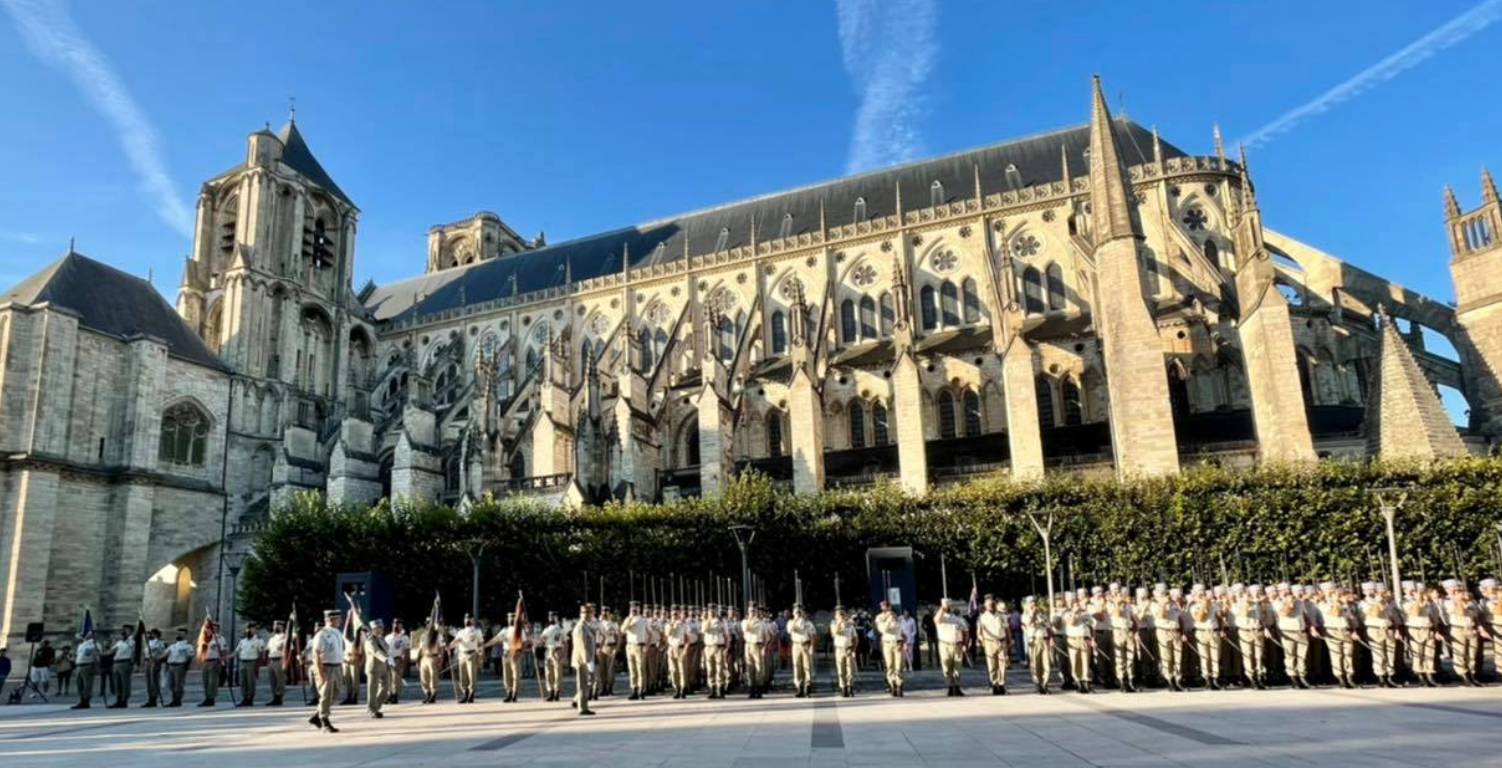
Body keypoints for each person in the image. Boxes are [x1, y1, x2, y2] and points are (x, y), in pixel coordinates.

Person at [308, 609, 346, 733]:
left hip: (337, 666)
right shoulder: (322, 634)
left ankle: (316, 716)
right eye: (338, 618)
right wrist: (320, 672)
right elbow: (316, 653)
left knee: (336, 692)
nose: (340, 620)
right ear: (331, 619)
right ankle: (324, 720)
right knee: (326, 695)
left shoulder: (337, 633)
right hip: (326, 667)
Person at [935, 597, 969, 696]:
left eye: (949, 606)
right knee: (946, 667)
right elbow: (937, 619)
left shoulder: (959, 619)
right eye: (946, 606)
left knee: (957, 667)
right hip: (944, 644)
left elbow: (966, 632)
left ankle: (957, 687)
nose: (948, 607)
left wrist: (965, 644)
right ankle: (950, 686)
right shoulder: (940, 618)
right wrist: (943, 607)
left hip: (957, 644)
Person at [977, 595, 1010, 695]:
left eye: (992, 603)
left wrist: (1009, 641)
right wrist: (981, 640)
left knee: (1002, 664)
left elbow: (1007, 629)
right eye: (988, 604)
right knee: (992, 665)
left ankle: (1001, 685)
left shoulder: (1002, 616)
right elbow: (979, 632)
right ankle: (994, 684)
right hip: (989, 642)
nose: (990, 605)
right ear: (985, 605)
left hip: (1001, 641)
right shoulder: (982, 617)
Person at [447, 614, 483, 703]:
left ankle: (471, 694)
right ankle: (465, 694)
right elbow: (457, 640)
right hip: (462, 655)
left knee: (472, 675)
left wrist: (481, 655)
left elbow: (481, 644)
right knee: (463, 676)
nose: (467, 620)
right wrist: (449, 646)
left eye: (469, 618)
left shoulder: (477, 631)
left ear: (473, 620)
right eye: (466, 618)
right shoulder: (461, 632)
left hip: (472, 654)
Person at [1022, 596, 1053, 694]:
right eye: (1031, 602)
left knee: (1046, 664)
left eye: (1035, 602)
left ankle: (1045, 684)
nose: (1033, 604)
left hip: (1044, 639)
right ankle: (1038, 684)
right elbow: (1029, 624)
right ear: (1027, 604)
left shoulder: (1042, 614)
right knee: (1035, 664)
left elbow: (1048, 627)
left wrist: (1051, 638)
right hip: (1034, 640)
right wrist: (1034, 614)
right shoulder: (1025, 615)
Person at [571, 604, 597, 716]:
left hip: (586, 658)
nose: (589, 615)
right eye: (587, 613)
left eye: (590, 613)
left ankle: (577, 701)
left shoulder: (586, 626)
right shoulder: (581, 627)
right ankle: (582, 708)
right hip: (582, 660)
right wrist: (588, 660)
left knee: (587, 682)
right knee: (583, 684)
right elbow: (582, 645)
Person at [875, 600, 905, 696]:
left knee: (899, 666)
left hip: (898, 643)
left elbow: (902, 632)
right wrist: (888, 619)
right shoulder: (879, 617)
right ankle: (893, 686)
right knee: (890, 666)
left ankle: (899, 686)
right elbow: (883, 630)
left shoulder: (898, 617)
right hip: (887, 643)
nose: (885, 608)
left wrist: (904, 642)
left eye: (887, 606)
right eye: (883, 606)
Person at [363, 619, 392, 718]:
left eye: (382, 627)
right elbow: (376, 652)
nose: (382, 629)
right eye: (380, 627)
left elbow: (387, 650)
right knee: (372, 690)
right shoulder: (370, 640)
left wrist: (390, 659)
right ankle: (372, 710)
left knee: (386, 688)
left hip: (383, 667)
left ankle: (376, 706)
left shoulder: (381, 639)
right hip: (373, 668)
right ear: (374, 629)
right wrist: (385, 659)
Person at [415, 617, 447, 704]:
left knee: (433, 677)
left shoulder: (437, 635)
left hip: (433, 657)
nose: (428, 624)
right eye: (427, 623)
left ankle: (433, 695)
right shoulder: (423, 635)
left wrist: (441, 661)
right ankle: (427, 694)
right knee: (424, 678)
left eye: (429, 623)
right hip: (424, 658)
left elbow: (442, 648)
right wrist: (418, 660)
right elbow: (420, 649)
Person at [787, 604, 816, 698]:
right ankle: (799, 687)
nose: (798, 613)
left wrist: (812, 647)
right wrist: (795, 619)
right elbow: (790, 630)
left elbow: (812, 636)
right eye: (796, 611)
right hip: (796, 645)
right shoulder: (791, 622)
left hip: (806, 645)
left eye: (800, 611)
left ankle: (807, 687)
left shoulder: (808, 623)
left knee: (807, 666)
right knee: (797, 666)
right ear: (793, 613)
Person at [234, 624, 266, 706]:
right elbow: (237, 651)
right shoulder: (242, 641)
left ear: (255, 630)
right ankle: (244, 698)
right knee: (243, 681)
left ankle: (250, 698)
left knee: (250, 681)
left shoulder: (258, 640)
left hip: (252, 662)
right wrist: (226, 657)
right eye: (248, 629)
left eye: (251, 629)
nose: (249, 631)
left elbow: (261, 653)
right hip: (243, 662)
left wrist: (258, 664)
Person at [830, 605, 858, 698]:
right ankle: (843, 688)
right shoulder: (833, 623)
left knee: (850, 669)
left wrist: (853, 649)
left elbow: (855, 638)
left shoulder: (850, 624)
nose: (841, 614)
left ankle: (850, 687)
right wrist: (840, 622)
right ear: (835, 615)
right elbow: (835, 633)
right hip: (839, 649)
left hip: (848, 648)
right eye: (839, 613)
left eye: (842, 612)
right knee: (841, 670)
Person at [539, 613, 566, 701]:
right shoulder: (546, 629)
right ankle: (551, 691)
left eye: (553, 617)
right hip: (548, 650)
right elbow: (542, 641)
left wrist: (564, 653)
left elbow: (565, 642)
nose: (551, 618)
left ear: (556, 618)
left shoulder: (560, 629)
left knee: (558, 673)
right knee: (548, 672)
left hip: (557, 650)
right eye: (550, 617)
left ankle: (557, 692)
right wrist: (536, 644)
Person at [198, 619, 226, 706]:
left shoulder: (220, 639)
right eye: (210, 627)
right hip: (205, 661)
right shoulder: (204, 639)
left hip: (214, 661)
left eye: (214, 628)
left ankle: (211, 698)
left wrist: (223, 661)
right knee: (205, 681)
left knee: (212, 681)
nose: (211, 629)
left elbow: (223, 651)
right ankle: (207, 697)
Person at [165, 628, 193, 707]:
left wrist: (186, 666)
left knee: (179, 684)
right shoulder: (172, 646)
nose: (179, 635)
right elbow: (165, 654)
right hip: (171, 665)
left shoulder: (188, 646)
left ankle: (177, 700)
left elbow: (190, 656)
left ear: (185, 635)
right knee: (171, 684)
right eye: (178, 633)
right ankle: (173, 699)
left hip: (180, 666)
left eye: (181, 634)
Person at [72, 630, 100, 709]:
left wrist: (97, 667)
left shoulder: (95, 645)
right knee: (79, 685)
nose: (87, 634)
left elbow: (97, 656)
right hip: (79, 666)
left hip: (88, 665)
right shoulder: (82, 645)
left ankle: (86, 701)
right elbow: (78, 656)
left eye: (90, 633)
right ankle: (82, 700)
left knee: (87, 685)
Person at [110, 625, 135, 708]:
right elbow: (112, 650)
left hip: (125, 662)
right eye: (123, 630)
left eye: (126, 630)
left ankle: (124, 700)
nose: (123, 631)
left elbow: (134, 652)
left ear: (131, 631)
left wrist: (133, 663)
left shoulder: (132, 641)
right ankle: (118, 699)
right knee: (117, 682)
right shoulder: (120, 642)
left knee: (125, 682)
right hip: (116, 662)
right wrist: (101, 654)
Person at [265, 620, 289, 706]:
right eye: (274, 625)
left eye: (278, 625)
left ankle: (279, 697)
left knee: (280, 680)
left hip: (280, 660)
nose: (275, 627)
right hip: (271, 660)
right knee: (272, 681)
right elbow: (268, 650)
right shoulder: (272, 638)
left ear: (282, 627)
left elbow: (289, 651)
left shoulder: (285, 638)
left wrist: (285, 662)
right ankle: (274, 697)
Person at [386, 619, 409, 704]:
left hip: (397, 660)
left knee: (396, 679)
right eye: (395, 624)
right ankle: (389, 695)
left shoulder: (404, 637)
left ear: (401, 626)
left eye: (399, 624)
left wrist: (404, 663)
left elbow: (406, 651)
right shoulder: (388, 637)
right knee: (388, 679)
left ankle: (395, 696)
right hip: (388, 660)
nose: (396, 626)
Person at [143, 629, 166, 707]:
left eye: (151, 634)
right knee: (148, 680)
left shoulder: (160, 643)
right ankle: (150, 697)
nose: (149, 635)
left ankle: (154, 697)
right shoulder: (148, 643)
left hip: (155, 661)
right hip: (147, 661)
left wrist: (157, 658)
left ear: (155, 634)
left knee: (154, 680)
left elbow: (162, 652)